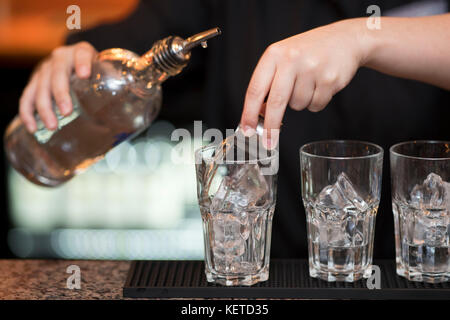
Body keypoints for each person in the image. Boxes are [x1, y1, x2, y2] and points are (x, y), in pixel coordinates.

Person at [18, 0, 450, 258]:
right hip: (264, 277)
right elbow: (148, 33)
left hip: (422, 270)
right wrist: (75, 57)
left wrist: (364, 38)